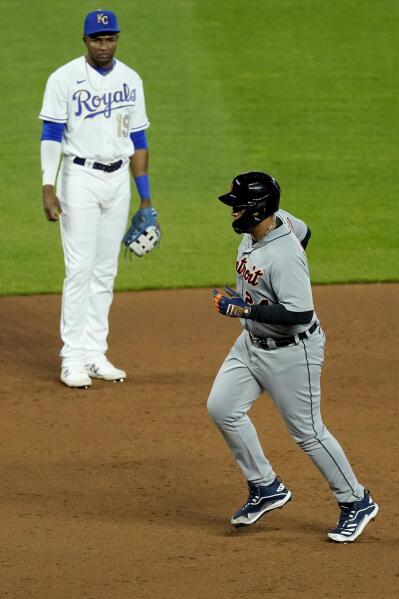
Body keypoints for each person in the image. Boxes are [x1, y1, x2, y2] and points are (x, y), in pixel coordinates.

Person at [208, 171, 378, 543]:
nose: (232, 212)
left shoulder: (282, 255)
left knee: (309, 432)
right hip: (251, 345)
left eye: (238, 207)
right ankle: (265, 486)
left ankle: (356, 500)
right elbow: (306, 233)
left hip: (292, 351)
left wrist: (242, 311)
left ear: (258, 210)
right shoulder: (282, 221)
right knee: (222, 407)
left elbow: (299, 313)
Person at [39, 10, 155, 388]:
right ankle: (71, 358)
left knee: (105, 271)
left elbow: (138, 141)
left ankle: (94, 353)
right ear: (85, 40)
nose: (104, 45)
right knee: (80, 269)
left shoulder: (131, 79)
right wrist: (47, 185)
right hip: (80, 179)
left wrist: (146, 200)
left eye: (110, 38)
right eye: (97, 39)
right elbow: (52, 133)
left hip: (118, 180)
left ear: (117, 39)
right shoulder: (63, 78)